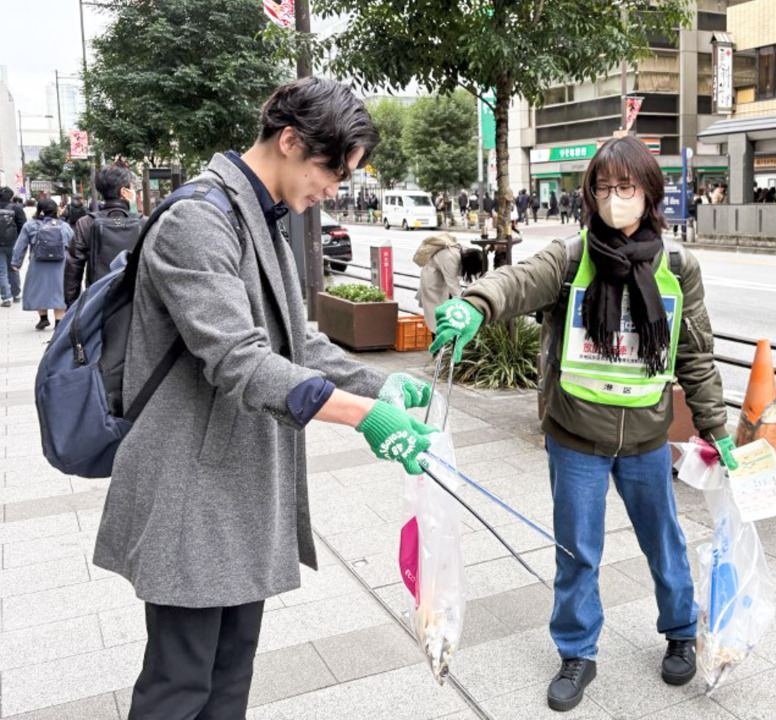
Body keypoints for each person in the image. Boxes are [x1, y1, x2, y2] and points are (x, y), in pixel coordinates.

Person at [91, 77, 438, 719]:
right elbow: (240, 359)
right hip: (191, 489)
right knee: (179, 684)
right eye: (332, 171)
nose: (333, 190)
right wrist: (364, 415)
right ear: (290, 141)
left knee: (230, 677)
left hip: (234, 483)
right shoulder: (198, 220)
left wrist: (380, 383)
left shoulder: (261, 221)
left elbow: (296, 343)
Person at [429, 136, 736, 712]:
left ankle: (680, 633)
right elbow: (517, 281)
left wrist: (716, 427)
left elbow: (695, 353)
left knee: (664, 542)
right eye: (603, 187)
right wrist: (474, 304)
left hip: (646, 437)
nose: (615, 197)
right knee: (576, 552)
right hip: (575, 437)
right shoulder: (571, 258)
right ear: (590, 195)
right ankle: (577, 652)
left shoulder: (678, 267)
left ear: (649, 192)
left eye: (626, 186)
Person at [64, 165, 143, 309]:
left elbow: (73, 267)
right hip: (137, 300)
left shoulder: (86, 222)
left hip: (98, 299)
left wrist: (72, 305)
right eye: (131, 187)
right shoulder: (144, 222)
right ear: (124, 192)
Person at [10, 198, 72, 329]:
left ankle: (43, 318)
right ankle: (59, 321)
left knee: (39, 289)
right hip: (60, 264)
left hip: (38, 262)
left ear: (39, 210)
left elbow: (20, 245)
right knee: (59, 290)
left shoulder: (30, 225)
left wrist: (16, 262)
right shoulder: (64, 226)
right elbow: (73, 244)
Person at [414, 233, 484, 332]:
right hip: (433, 280)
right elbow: (453, 285)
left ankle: (443, 337)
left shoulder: (465, 253)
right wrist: (467, 304)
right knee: (436, 315)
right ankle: (438, 338)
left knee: (446, 311)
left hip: (442, 277)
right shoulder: (450, 258)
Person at [0, 186, 26, 306]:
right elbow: (23, 227)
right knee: (13, 268)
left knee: (1, 271)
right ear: (11, 197)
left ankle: (6, 298)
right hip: (13, 243)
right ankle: (16, 294)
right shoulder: (17, 208)